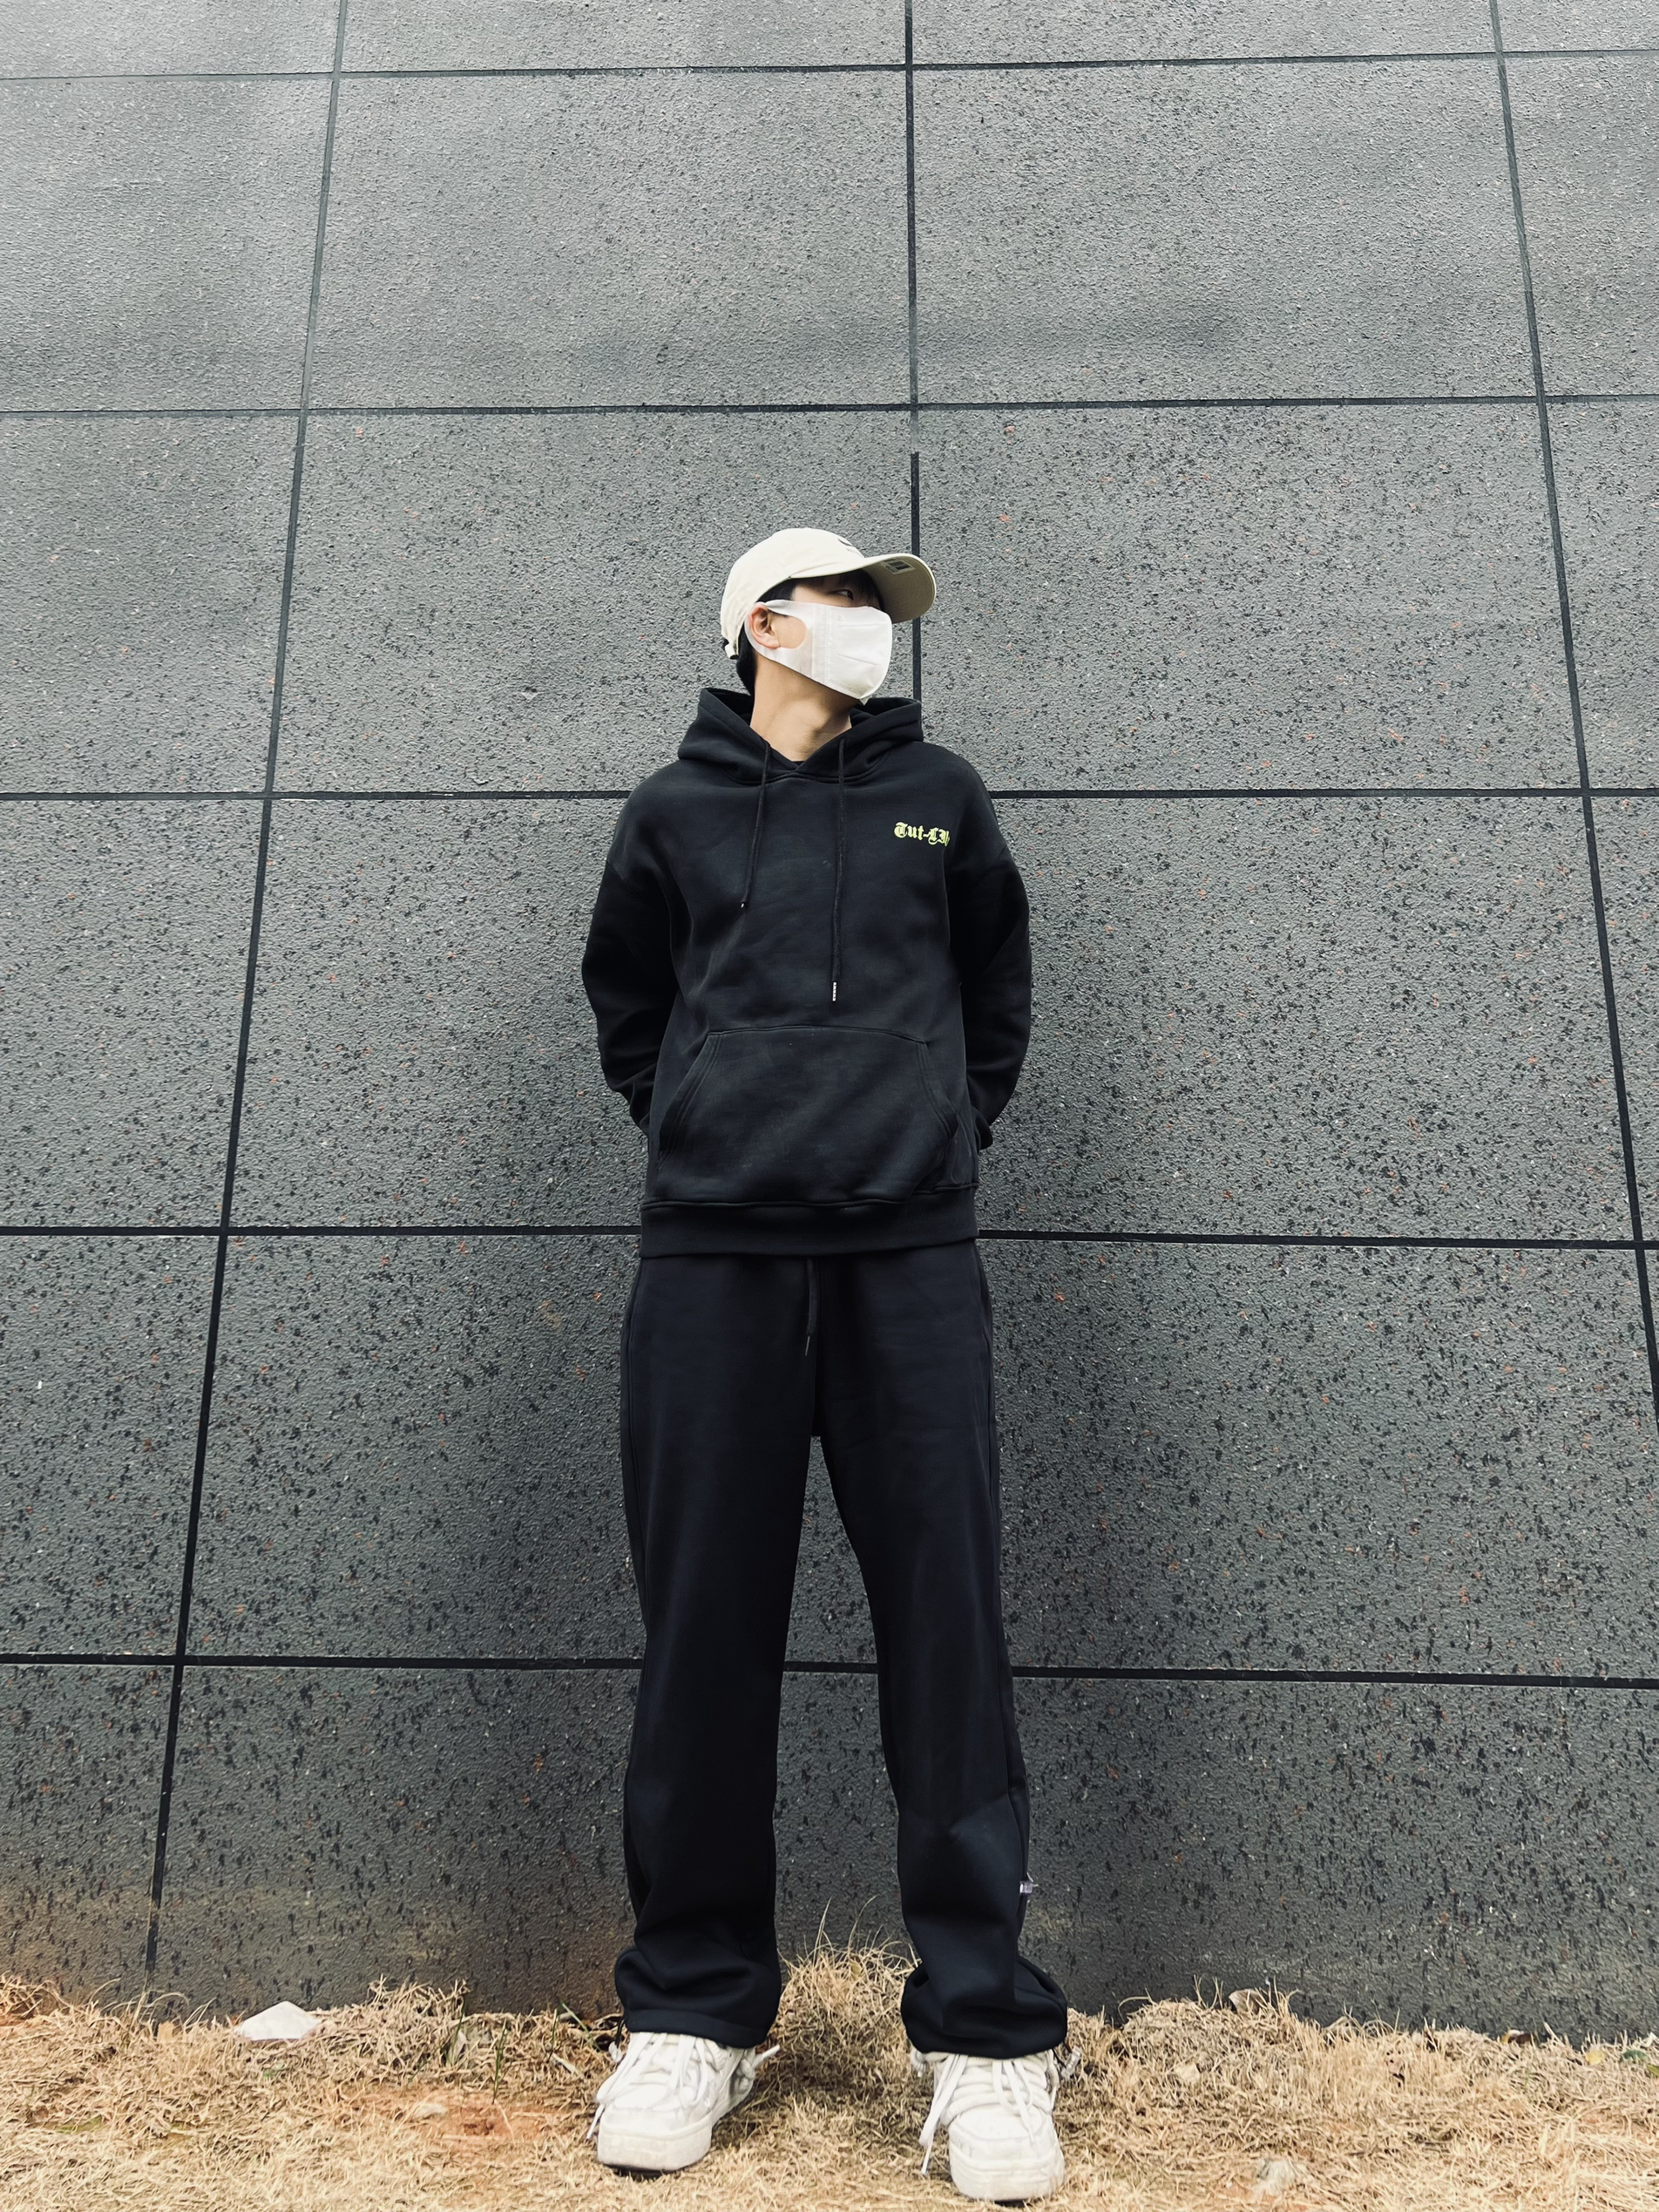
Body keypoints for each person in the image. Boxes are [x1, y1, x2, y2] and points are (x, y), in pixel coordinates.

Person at [579, 526, 1071, 2200]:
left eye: (884, 605)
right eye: (847, 601)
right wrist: (709, 1134)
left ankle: (987, 2036)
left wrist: (939, 1140)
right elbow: (629, 1009)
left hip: (908, 1264)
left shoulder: (943, 795)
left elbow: (995, 994)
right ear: (764, 625)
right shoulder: (673, 809)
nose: (874, 627)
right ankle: (692, 2009)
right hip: (710, 1265)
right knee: (703, 1636)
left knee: (948, 1633)